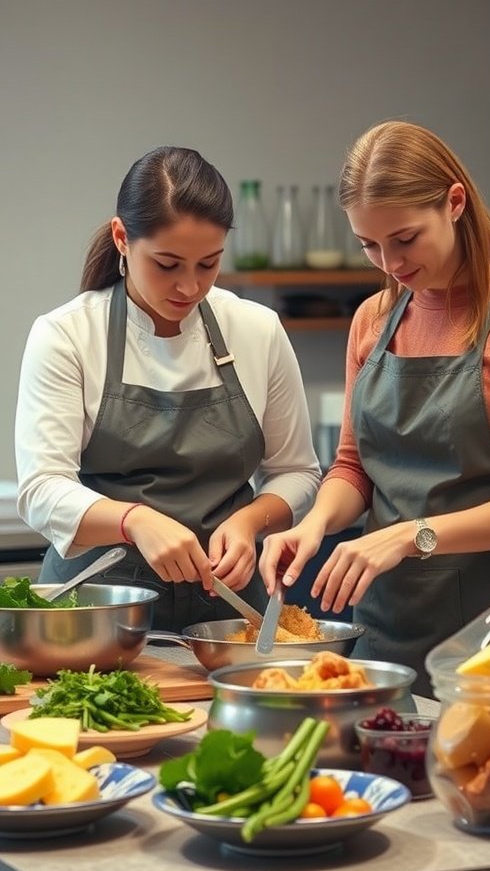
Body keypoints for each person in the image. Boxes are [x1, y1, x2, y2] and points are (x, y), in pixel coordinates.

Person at [259, 120, 490, 699]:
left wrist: (411, 536)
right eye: (369, 245)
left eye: (404, 239)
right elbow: (353, 467)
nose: (389, 263)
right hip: (386, 626)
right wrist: (314, 525)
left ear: (454, 202)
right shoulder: (373, 319)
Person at [15, 146, 321, 632]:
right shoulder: (67, 334)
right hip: (100, 608)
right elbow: (40, 489)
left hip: (228, 607)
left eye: (209, 264)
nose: (189, 287)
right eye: (167, 264)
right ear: (122, 238)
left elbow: (298, 472)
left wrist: (250, 522)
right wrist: (134, 520)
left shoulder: (256, 330)